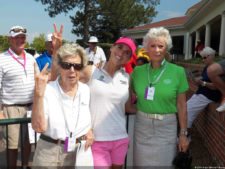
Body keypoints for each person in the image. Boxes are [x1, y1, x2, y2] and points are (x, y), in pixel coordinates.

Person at [51, 29, 137, 168]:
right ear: (112, 47)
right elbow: (59, 76)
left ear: (129, 58)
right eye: (120, 47)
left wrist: (151, 110)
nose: (121, 53)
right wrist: (56, 50)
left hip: (120, 138)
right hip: (96, 139)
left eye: (127, 52)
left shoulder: (126, 77)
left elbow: (127, 107)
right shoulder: (90, 70)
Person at [130, 27, 189, 167]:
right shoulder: (137, 72)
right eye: (153, 46)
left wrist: (183, 134)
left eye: (161, 46)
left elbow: (182, 105)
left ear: (166, 48)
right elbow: (128, 96)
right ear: (146, 48)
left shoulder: (178, 72)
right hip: (142, 126)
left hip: (167, 127)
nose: (157, 50)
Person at [31, 41, 94, 167]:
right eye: (67, 65)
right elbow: (39, 128)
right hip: (49, 152)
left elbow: (84, 117)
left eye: (76, 66)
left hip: (77, 151)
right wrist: (38, 94)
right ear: (59, 66)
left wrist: (89, 130)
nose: (72, 70)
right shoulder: (47, 90)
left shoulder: (85, 90)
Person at [0, 25, 37, 169]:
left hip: (30, 106)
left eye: (23, 37)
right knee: (12, 144)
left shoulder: (31, 58)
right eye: (17, 38)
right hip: (11, 108)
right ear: (10, 39)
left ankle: (26, 165)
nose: (20, 40)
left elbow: (38, 79)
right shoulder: (2, 59)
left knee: (28, 141)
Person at [187, 47, 221, 129]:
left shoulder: (217, 69)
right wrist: (196, 80)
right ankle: (185, 132)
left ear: (211, 56)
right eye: (202, 58)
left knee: (187, 111)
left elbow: (216, 86)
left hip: (209, 95)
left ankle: (185, 133)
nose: (203, 60)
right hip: (201, 93)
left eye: (205, 57)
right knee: (185, 108)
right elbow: (202, 81)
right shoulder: (206, 67)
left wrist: (203, 83)